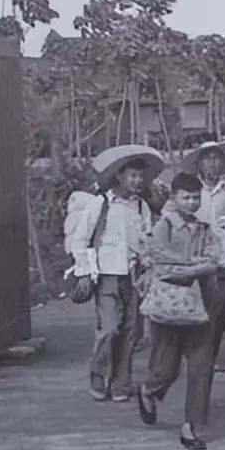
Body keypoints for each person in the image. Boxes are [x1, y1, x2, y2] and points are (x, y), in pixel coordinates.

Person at [65, 144, 163, 402]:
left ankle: (121, 382)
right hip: (106, 275)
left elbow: (148, 240)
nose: (137, 181)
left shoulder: (141, 207)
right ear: (119, 175)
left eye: (141, 176)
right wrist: (85, 272)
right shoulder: (101, 204)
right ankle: (99, 374)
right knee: (109, 328)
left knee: (131, 331)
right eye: (132, 175)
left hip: (132, 275)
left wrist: (147, 262)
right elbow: (80, 239)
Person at [136, 173, 221, 450]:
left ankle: (192, 426)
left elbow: (213, 260)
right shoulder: (165, 225)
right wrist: (190, 264)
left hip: (200, 306)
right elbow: (158, 257)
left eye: (196, 197)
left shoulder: (204, 229)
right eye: (186, 196)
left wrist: (195, 268)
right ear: (174, 197)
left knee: (201, 366)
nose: (192, 202)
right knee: (166, 366)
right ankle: (149, 389)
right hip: (169, 304)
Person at [181, 140, 225, 361]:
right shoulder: (190, 190)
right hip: (193, 256)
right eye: (207, 158)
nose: (212, 163)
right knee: (195, 308)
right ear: (199, 163)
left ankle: (210, 355)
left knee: (219, 311)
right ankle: (194, 352)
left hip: (222, 259)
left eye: (216, 158)